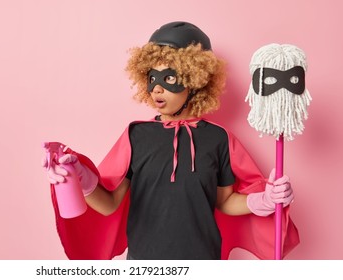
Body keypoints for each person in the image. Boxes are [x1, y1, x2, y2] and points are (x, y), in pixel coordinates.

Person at [42, 21, 299, 260]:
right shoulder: (136, 135)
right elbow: (108, 205)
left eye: (170, 79)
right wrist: (79, 177)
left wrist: (264, 200)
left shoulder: (219, 139)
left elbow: (224, 202)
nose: (156, 88)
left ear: (195, 81)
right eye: (152, 78)